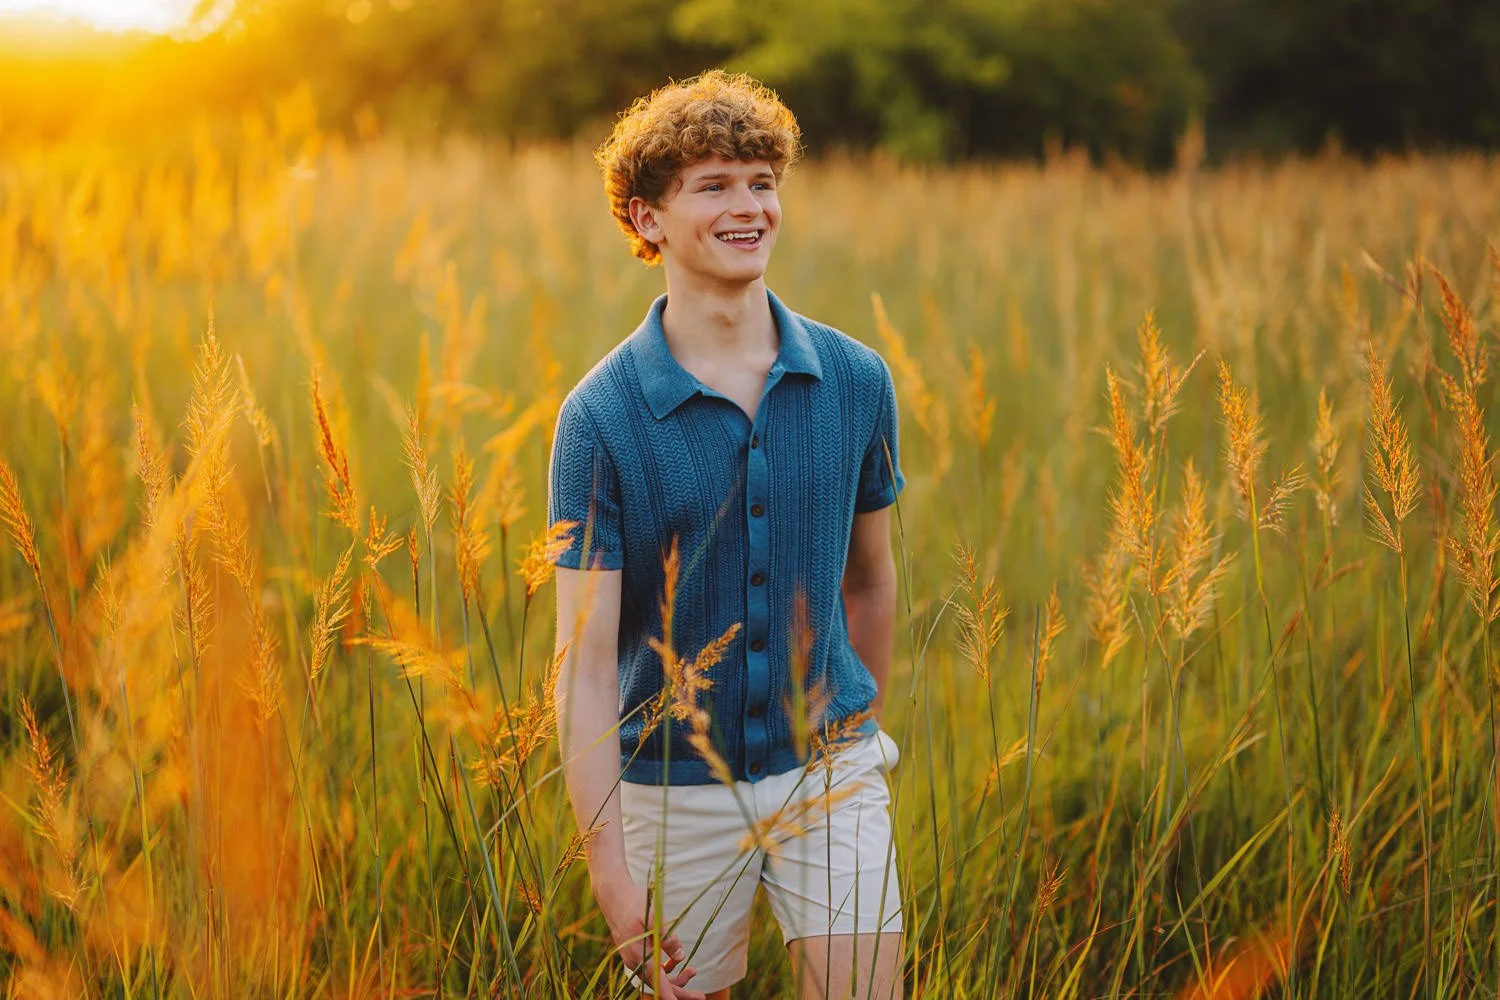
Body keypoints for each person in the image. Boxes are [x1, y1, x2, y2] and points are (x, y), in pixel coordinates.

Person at [548, 69, 906, 1000]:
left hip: (831, 780)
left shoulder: (857, 381)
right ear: (647, 219)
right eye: (713, 185)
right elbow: (584, 665)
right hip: (670, 795)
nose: (749, 207)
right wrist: (610, 872)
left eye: (762, 181)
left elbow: (870, 581)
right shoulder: (600, 417)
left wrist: (848, 730)